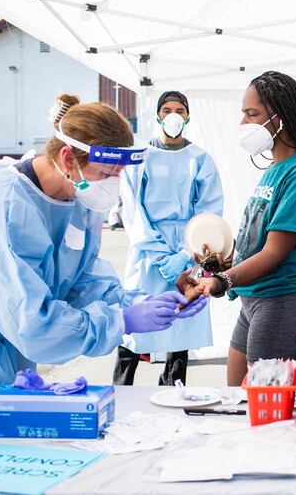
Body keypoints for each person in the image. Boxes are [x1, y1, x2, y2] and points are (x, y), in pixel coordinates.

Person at [0, 96, 206, 385]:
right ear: (68, 159)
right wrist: (121, 320)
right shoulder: (5, 205)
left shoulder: (80, 197)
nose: (113, 184)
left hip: (13, 352)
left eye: (119, 174)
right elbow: (32, 324)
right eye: (106, 173)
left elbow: (84, 279)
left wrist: (138, 301)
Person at [192, 71, 296, 386]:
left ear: (280, 118)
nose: (243, 122)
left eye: (251, 113)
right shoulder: (275, 169)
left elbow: (274, 253)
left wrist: (221, 281)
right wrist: (220, 264)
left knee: (263, 413)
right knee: (237, 400)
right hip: (256, 303)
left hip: (286, 306)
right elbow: (257, 246)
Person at [113, 90, 224, 386]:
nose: (173, 115)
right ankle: (121, 391)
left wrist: (186, 254)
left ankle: (174, 390)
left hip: (186, 255)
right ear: (157, 115)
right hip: (147, 253)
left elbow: (209, 213)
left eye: (180, 109)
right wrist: (161, 255)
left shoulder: (200, 159)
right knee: (135, 324)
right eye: (167, 109)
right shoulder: (140, 157)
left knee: (181, 323)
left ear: (188, 116)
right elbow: (133, 210)